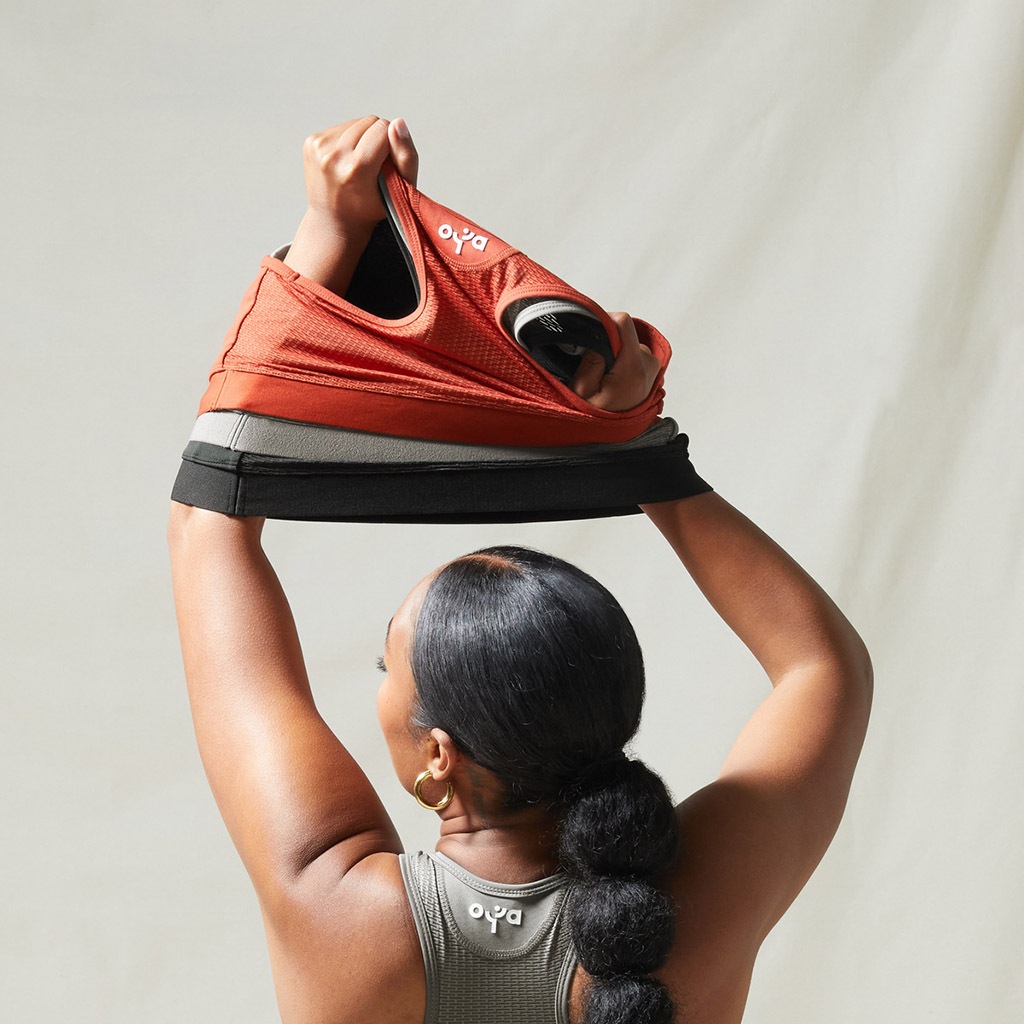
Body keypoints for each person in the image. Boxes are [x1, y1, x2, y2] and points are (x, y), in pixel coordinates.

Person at [168, 116, 872, 1024]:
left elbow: (206, 518)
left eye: (392, 665)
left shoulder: (343, 913)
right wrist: (640, 455)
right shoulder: (694, 916)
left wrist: (329, 234)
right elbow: (822, 668)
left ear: (438, 757)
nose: (380, 682)